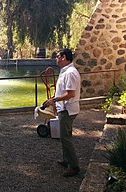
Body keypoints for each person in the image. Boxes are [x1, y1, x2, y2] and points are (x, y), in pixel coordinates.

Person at [45, 48, 81, 177]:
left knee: (65, 138)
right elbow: (63, 91)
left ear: (64, 57)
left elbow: (70, 93)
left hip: (67, 110)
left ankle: (74, 166)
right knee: (65, 136)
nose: (56, 58)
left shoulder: (70, 73)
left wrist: (54, 100)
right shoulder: (65, 71)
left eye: (58, 56)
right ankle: (67, 160)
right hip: (64, 108)